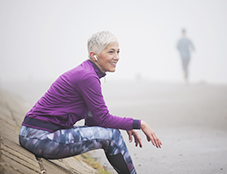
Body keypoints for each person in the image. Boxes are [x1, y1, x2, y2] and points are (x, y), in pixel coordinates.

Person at [19, 31, 162, 174]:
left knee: (111, 133)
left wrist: (126, 124)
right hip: (39, 138)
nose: (116, 57)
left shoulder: (87, 72)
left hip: (33, 134)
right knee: (112, 136)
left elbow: (94, 121)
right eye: (111, 52)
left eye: (118, 51)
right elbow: (103, 119)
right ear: (94, 55)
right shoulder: (88, 77)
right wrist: (139, 124)